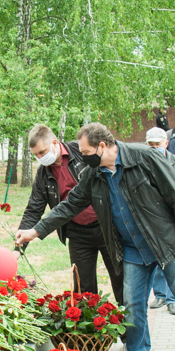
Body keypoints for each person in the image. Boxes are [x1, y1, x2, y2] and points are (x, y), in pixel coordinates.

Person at [15, 122, 175, 351]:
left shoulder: (145, 157)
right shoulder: (93, 174)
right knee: (132, 306)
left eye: (86, 152)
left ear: (102, 147)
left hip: (165, 243)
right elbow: (69, 205)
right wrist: (35, 231)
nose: (82, 157)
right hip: (131, 249)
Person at [14, 124, 123, 304]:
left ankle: (128, 321)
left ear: (55, 142)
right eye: (36, 155)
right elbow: (33, 209)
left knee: (121, 279)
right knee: (83, 290)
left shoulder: (82, 151)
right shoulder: (43, 174)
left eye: (42, 152)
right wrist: (19, 249)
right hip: (77, 233)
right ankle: (90, 321)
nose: (40, 158)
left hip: (107, 226)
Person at [146, 127, 175, 316]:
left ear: (166, 143)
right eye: (150, 145)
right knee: (158, 262)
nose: (154, 148)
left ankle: (173, 299)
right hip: (153, 225)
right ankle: (160, 295)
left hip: (174, 224)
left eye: (157, 144)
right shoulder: (143, 164)